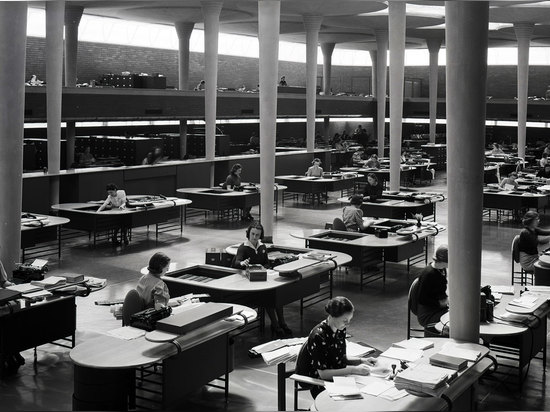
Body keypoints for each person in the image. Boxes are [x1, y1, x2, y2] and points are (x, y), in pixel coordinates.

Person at [295, 296, 378, 399]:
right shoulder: (318, 335)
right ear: (333, 316)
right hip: (320, 384)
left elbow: (342, 358)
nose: (347, 324)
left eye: (349, 320)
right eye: (345, 320)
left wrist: (362, 361)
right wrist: (353, 370)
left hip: (339, 377)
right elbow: (323, 374)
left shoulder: (340, 329)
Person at [232, 222, 291, 337]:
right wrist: (242, 263)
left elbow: (266, 263)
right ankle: (275, 325)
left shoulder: (262, 247)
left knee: (277, 296)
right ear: (248, 233)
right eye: (252, 234)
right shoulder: (243, 248)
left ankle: (282, 322)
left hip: (262, 279)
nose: (254, 237)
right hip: (249, 283)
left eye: (257, 235)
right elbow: (236, 262)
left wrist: (266, 268)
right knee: (268, 298)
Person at [415, 245, 449, 328]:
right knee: (457, 318)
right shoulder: (429, 274)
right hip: (428, 315)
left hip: (437, 309)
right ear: (444, 261)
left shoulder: (441, 269)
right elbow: (422, 299)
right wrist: (440, 303)